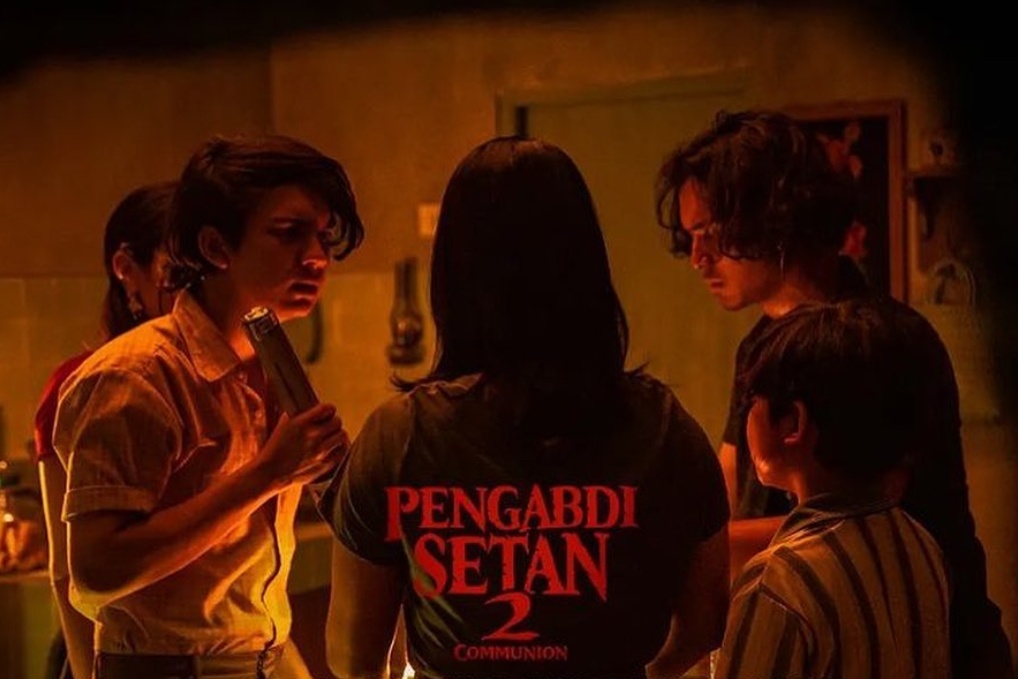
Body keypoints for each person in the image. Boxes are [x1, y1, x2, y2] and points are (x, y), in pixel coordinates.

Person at [322, 136, 730, 679]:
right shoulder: (664, 427)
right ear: (586, 263)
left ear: (454, 270)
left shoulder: (400, 436)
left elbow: (352, 658)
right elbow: (705, 621)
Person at [655, 108, 1014, 678]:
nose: (698, 258)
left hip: (925, 646)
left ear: (769, 214)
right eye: (690, 237)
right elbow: (727, 485)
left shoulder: (880, 344)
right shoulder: (759, 346)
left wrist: (691, 548)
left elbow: (863, 525)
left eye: (709, 232)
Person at [52, 133, 364, 679]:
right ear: (217, 248)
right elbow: (96, 569)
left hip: (260, 658)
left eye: (322, 236)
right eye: (288, 233)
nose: (316, 258)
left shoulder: (269, 364)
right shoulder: (137, 374)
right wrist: (269, 473)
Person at [714, 298, 951, 679]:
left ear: (793, 423)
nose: (746, 416)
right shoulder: (920, 543)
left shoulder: (776, 582)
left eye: (751, 402)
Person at [34, 179, 178, 679]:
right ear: (126, 269)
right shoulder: (88, 383)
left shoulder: (217, 383)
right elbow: (66, 571)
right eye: (174, 272)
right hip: (106, 651)